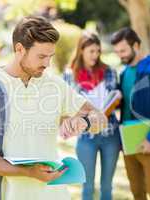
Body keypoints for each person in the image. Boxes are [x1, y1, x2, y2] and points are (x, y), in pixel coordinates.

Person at [0, 16, 108, 200]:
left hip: (56, 194)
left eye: (50, 56)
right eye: (41, 56)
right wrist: (28, 172)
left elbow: (101, 119)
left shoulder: (54, 84)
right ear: (19, 49)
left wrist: (85, 121)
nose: (47, 63)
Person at [111, 27, 150, 200]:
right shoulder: (123, 74)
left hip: (149, 140)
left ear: (136, 45)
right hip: (128, 141)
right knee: (137, 191)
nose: (120, 55)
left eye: (123, 50)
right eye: (117, 52)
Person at [63, 32, 121, 200]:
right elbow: (65, 106)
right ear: (81, 50)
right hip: (86, 137)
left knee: (107, 186)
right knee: (87, 185)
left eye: (98, 51)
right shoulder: (69, 74)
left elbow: (113, 99)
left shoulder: (109, 71)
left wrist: (116, 99)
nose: (96, 55)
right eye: (91, 51)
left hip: (110, 135)